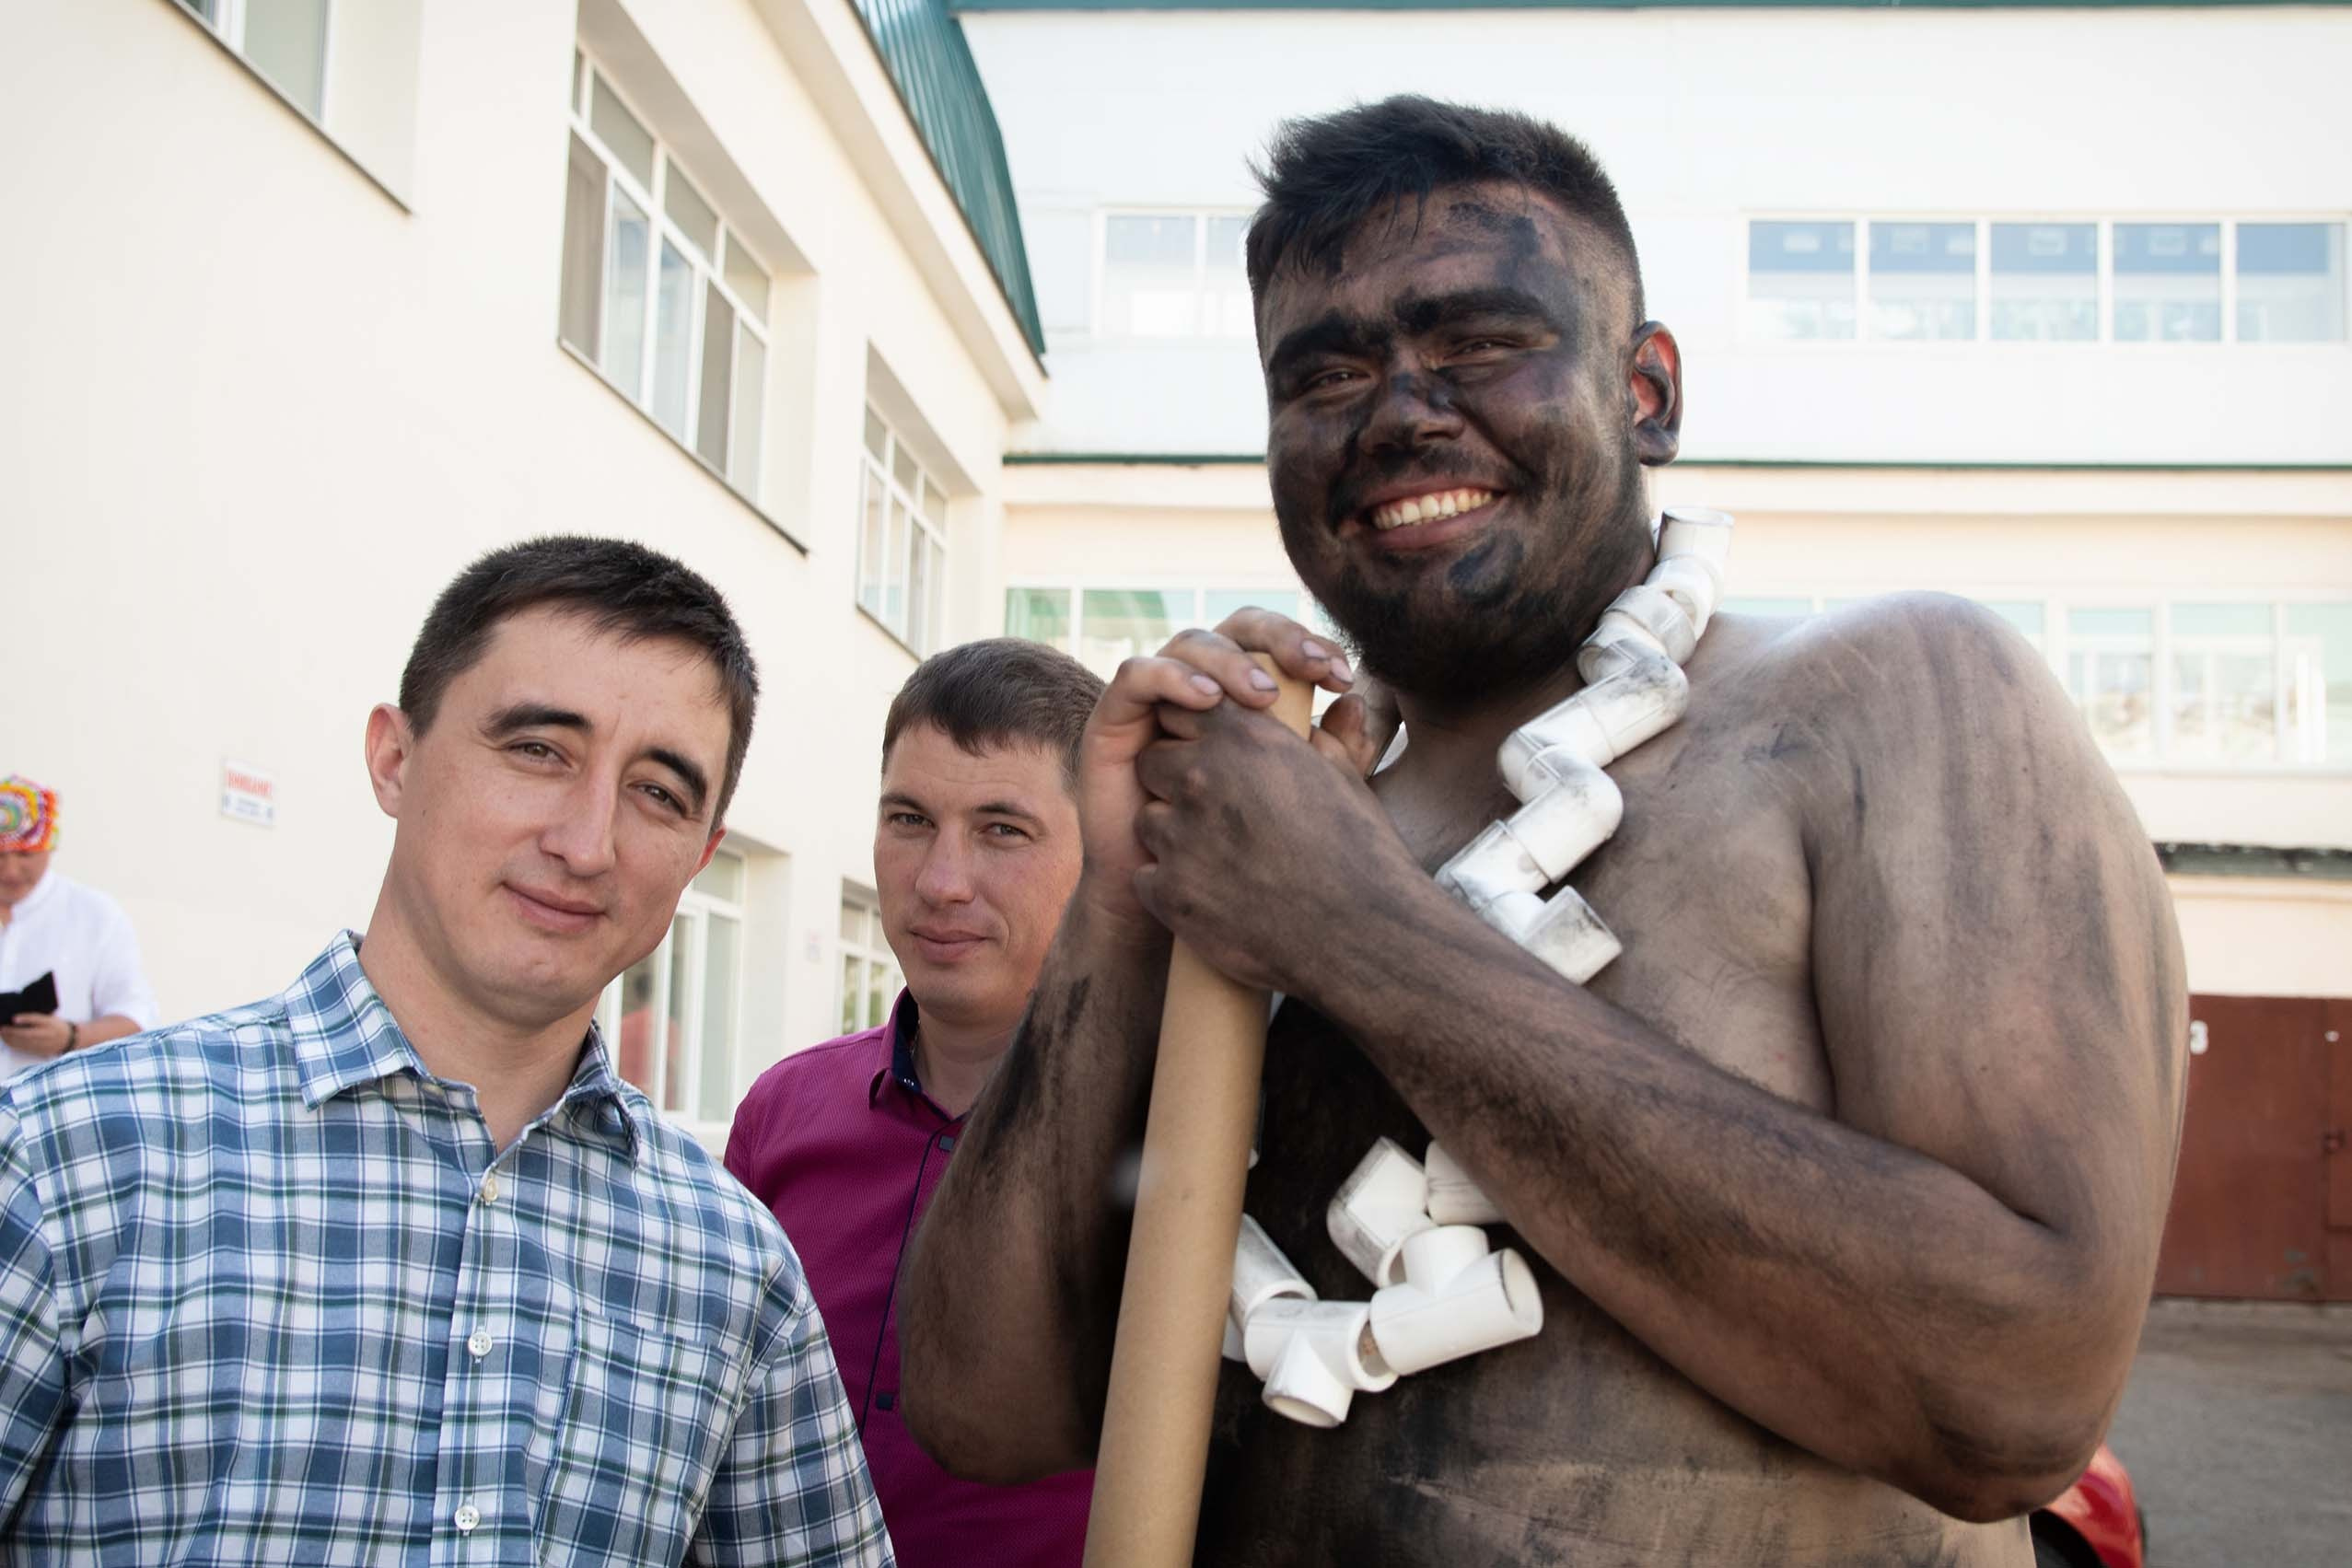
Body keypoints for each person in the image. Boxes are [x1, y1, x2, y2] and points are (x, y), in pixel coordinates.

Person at [900, 98, 2186, 1566]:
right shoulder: (1247, 815)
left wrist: (1354, 927)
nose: (1396, 415)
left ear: (1647, 393)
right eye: (1322, 372)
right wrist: (1119, 909)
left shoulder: (1899, 696)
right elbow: (980, 1409)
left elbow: (2013, 1397)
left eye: (1477, 344)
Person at [0, 537, 891, 1566]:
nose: (587, 839)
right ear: (393, 755)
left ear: (699, 853)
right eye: (538, 749)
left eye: (657, 791)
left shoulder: (736, 1270)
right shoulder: (71, 1162)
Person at [727, 639, 1103, 1567]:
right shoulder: (783, 1110)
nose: (941, 879)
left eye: (1001, 828)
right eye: (909, 817)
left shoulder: (1179, 1138)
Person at [0, 775, 158, 1075]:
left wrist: (71, 1037)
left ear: (51, 846)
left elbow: (138, 1019)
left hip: (53, 1114)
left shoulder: (96, 916)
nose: (10, 870)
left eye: (25, 854)